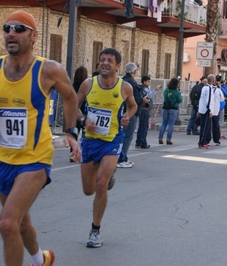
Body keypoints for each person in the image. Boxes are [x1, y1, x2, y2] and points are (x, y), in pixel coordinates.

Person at [0, 10, 81, 266]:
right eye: (7, 28)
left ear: (33, 36)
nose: (11, 33)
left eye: (19, 28)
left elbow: (71, 97)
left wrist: (71, 132)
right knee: (22, 223)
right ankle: (41, 260)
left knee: (7, 224)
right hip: (1, 159)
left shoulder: (48, 70)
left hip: (34, 160)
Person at [76, 48, 137, 248]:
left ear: (118, 66)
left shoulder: (124, 87)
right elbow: (73, 106)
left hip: (112, 140)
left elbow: (133, 105)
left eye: (109, 60)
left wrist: (127, 115)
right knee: (88, 190)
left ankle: (95, 231)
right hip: (90, 141)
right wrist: (84, 120)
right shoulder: (88, 84)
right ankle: (107, 175)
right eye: (102, 60)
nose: (104, 63)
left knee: (101, 185)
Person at [116, 62, 145, 168]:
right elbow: (136, 101)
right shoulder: (132, 84)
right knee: (127, 136)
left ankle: (119, 157)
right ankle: (122, 158)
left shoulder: (121, 81)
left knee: (121, 135)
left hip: (120, 110)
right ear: (134, 72)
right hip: (130, 112)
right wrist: (143, 100)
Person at [135, 75, 161, 149]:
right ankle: (143, 143)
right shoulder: (145, 89)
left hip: (141, 109)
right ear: (144, 81)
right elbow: (149, 96)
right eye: (148, 81)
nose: (149, 83)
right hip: (145, 109)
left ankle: (138, 142)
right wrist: (155, 89)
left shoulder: (141, 88)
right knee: (144, 126)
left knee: (141, 126)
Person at [69, 66, 88, 162]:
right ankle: (81, 153)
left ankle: (72, 154)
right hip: (83, 112)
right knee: (84, 134)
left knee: (74, 133)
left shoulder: (73, 86)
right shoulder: (85, 86)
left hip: (73, 112)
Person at [158, 78, 182, 145]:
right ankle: (168, 139)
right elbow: (180, 100)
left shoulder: (166, 90)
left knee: (164, 123)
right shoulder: (176, 92)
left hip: (165, 108)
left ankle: (160, 138)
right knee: (170, 124)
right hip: (173, 108)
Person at [197, 74, 215, 149]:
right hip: (206, 110)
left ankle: (203, 141)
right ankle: (202, 142)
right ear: (213, 80)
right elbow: (208, 100)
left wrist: (199, 110)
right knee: (205, 128)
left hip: (202, 110)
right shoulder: (209, 88)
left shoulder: (204, 87)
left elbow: (201, 99)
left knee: (203, 127)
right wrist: (210, 110)